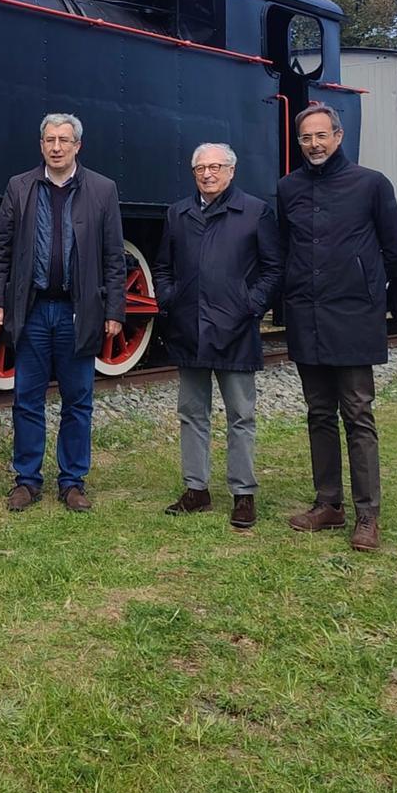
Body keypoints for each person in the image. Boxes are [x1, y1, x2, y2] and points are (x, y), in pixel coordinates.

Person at [278, 102, 397, 552]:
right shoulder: (288, 188)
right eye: (305, 138)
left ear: (338, 136)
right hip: (306, 314)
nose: (313, 144)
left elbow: (395, 250)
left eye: (321, 136)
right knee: (318, 413)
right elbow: (284, 247)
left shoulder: (371, 184)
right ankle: (328, 505)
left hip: (353, 315)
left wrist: (367, 289)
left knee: (357, 414)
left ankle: (367, 515)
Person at [0, 113, 125, 512]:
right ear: (41, 144)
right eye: (50, 139)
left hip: (77, 313)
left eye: (65, 139)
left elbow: (115, 256)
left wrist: (115, 308)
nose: (57, 146)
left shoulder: (102, 189)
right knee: (26, 399)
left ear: (78, 145)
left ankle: (72, 481)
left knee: (78, 401)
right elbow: (1, 250)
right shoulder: (20, 187)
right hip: (32, 311)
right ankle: (26, 480)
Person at [152, 143, 282, 530]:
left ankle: (243, 494)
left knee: (241, 414)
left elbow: (274, 268)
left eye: (216, 167)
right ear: (193, 173)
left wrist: (250, 305)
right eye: (200, 169)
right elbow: (162, 266)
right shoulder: (178, 214)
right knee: (192, 413)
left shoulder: (256, 212)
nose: (208, 174)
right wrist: (169, 298)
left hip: (237, 329)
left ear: (231, 170)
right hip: (189, 327)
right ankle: (197, 490)